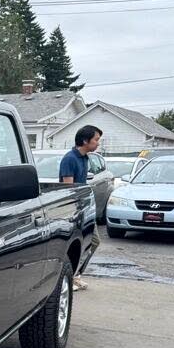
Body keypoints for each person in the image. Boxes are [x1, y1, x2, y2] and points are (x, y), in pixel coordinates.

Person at [60, 124, 103, 291]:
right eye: (96, 140)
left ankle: (76, 275)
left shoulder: (85, 158)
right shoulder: (69, 159)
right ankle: (68, 278)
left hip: (85, 208)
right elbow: (68, 189)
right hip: (74, 210)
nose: (98, 143)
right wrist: (75, 212)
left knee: (94, 241)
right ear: (85, 140)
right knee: (74, 245)